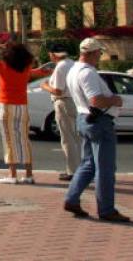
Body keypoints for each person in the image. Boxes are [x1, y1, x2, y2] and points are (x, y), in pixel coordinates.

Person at [64, 37, 130, 222]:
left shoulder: (73, 70)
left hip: (85, 118)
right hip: (98, 120)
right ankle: (106, 209)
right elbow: (96, 100)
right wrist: (115, 100)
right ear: (92, 53)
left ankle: (72, 198)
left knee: (89, 164)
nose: (100, 56)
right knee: (105, 168)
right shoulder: (88, 73)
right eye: (99, 53)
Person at [0, 41, 34, 184]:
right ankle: (29, 174)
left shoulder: (3, 66)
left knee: (9, 139)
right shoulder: (27, 66)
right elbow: (31, 57)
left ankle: (12, 174)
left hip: (6, 104)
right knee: (24, 139)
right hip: (22, 105)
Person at [39, 43, 80, 181]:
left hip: (63, 102)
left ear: (53, 55)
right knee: (76, 137)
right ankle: (79, 168)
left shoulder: (61, 67)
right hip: (74, 101)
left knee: (67, 138)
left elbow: (58, 90)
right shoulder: (72, 64)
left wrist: (45, 86)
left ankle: (72, 171)